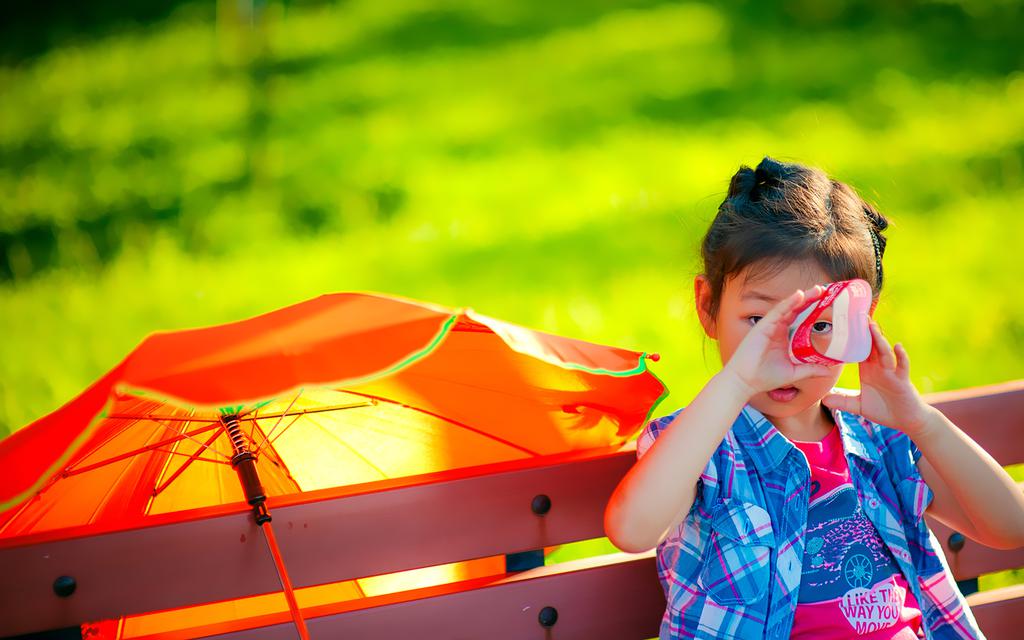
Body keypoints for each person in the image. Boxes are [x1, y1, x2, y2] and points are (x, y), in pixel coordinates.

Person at [603, 156, 1024, 640]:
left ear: (861, 322)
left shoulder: (880, 438)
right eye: (759, 322)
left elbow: (1010, 528)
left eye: (820, 326)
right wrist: (737, 382)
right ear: (708, 306)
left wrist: (920, 422)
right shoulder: (702, 447)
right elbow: (632, 531)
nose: (787, 352)